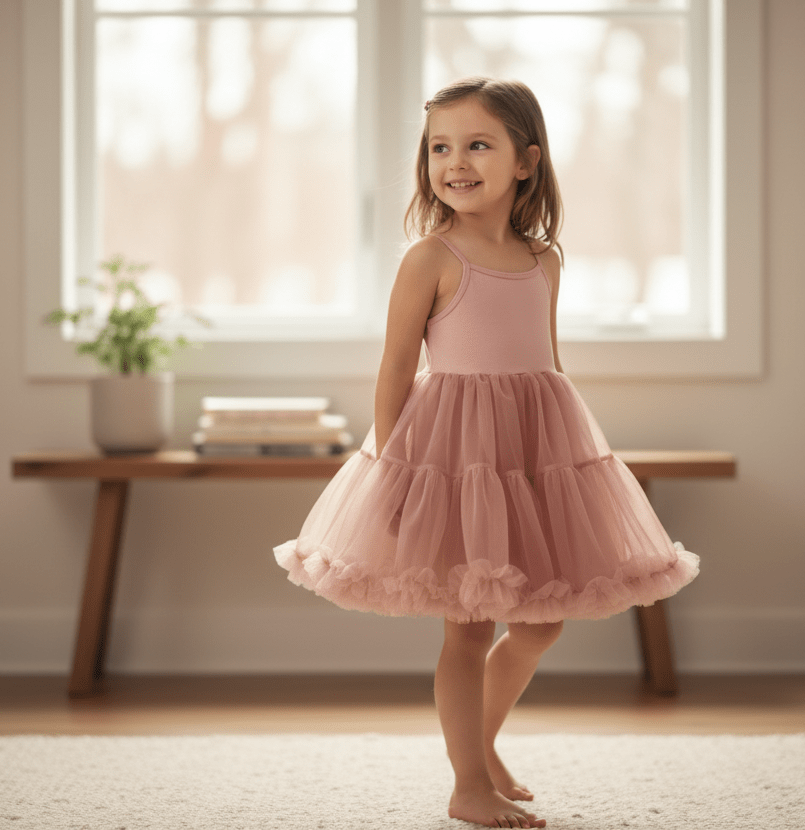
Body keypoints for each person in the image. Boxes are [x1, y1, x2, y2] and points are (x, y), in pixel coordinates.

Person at [274, 76, 700, 829]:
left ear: (526, 162)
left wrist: (566, 471)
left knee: (540, 623)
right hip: (448, 459)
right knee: (467, 625)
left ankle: (483, 745)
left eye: (477, 144)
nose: (455, 162)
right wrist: (393, 478)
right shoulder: (430, 258)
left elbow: (549, 372)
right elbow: (396, 372)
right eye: (441, 147)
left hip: (535, 457)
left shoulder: (545, 261)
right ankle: (467, 783)